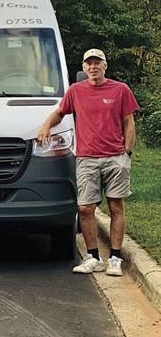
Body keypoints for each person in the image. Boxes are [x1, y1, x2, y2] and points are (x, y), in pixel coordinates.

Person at [37, 49, 139, 276]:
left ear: (105, 66)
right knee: (84, 208)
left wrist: (127, 154)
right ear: (84, 68)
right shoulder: (75, 91)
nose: (93, 67)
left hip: (115, 157)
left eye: (97, 63)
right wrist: (45, 126)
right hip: (87, 158)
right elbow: (59, 113)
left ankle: (114, 257)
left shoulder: (120, 90)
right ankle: (93, 257)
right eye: (89, 64)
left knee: (115, 206)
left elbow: (129, 122)